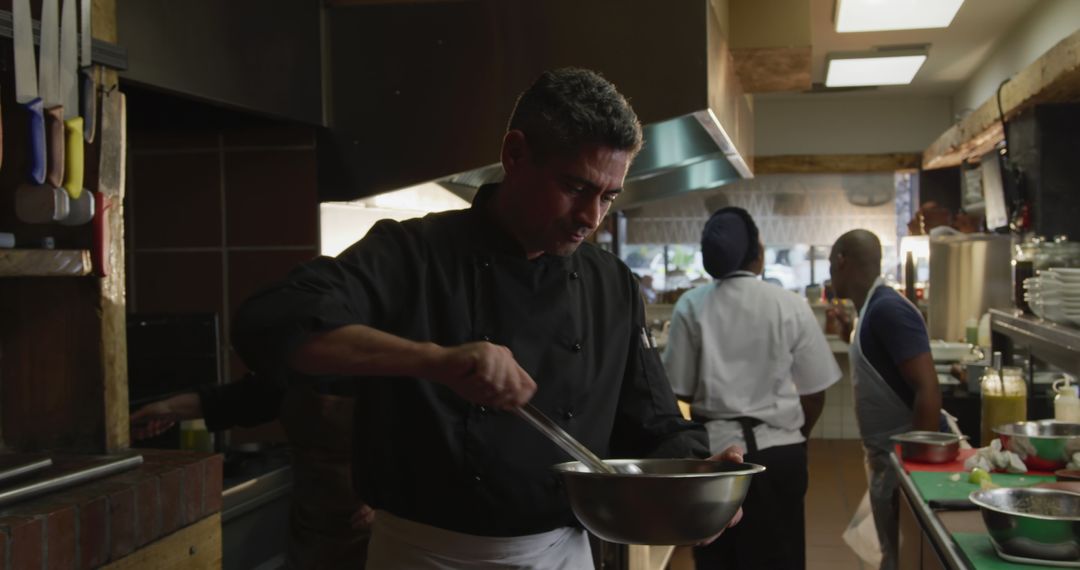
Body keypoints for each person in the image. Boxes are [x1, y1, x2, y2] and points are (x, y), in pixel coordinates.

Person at [231, 67, 740, 569]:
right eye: (574, 186)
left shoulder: (612, 284)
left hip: (559, 556)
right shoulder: (412, 255)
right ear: (515, 154)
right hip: (423, 555)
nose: (591, 217)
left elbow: (653, 424)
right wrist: (434, 361)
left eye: (608, 196)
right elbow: (274, 320)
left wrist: (699, 479)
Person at [662, 207, 841, 570]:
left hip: (717, 459)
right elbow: (815, 391)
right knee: (781, 556)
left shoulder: (691, 305)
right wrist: (794, 435)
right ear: (757, 254)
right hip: (780, 454)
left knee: (718, 558)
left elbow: (676, 392)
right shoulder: (790, 304)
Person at [130, 374, 374, 569]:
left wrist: (389, 496)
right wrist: (169, 407)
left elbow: (410, 439)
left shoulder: (388, 358)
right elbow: (238, 399)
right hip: (311, 532)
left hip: (374, 536)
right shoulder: (301, 361)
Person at [827, 229, 943, 570]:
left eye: (830, 264)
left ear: (841, 261)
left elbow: (928, 389)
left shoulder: (888, 309)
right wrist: (849, 330)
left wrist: (913, 477)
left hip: (904, 459)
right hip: (888, 459)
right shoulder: (871, 311)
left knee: (906, 559)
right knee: (893, 556)